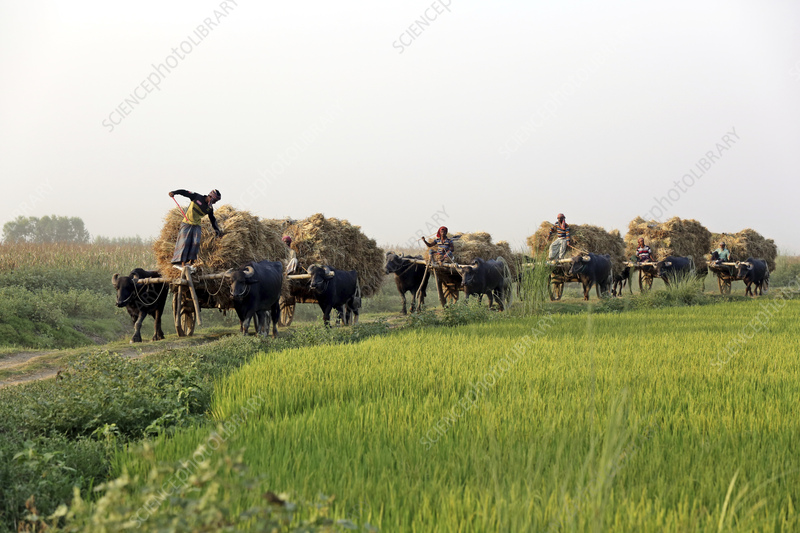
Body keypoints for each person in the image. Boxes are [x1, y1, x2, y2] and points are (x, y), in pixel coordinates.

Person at [169, 189, 222, 270]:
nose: (215, 202)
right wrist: (174, 193)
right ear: (210, 196)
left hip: (197, 225)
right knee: (184, 242)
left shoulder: (209, 208)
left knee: (195, 243)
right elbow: (185, 192)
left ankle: (190, 263)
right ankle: (180, 263)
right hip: (187, 223)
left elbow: (212, 219)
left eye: (216, 201)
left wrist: (217, 230)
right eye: (214, 200)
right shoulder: (197, 197)